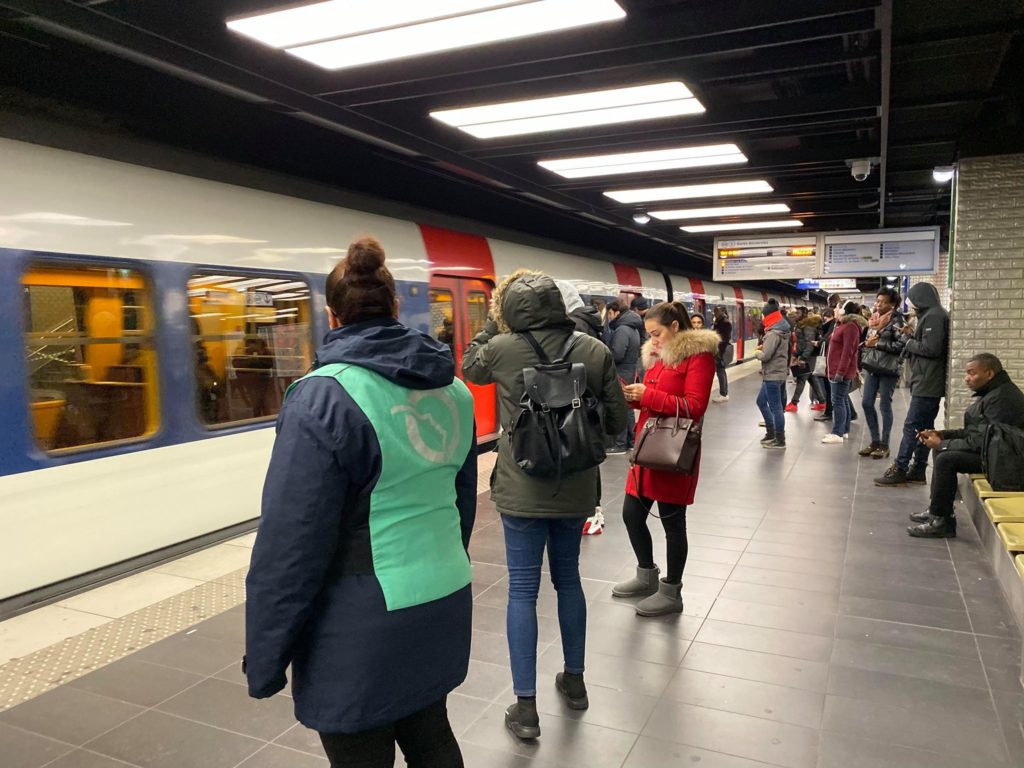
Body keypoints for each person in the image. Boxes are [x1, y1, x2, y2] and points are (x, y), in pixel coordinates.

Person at [245, 237, 477, 768]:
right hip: (443, 596)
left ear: (331, 316)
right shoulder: (455, 392)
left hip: (359, 626)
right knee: (432, 736)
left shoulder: (322, 398)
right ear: (396, 308)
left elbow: (291, 544)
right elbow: (460, 508)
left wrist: (266, 656)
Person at [462, 269, 627, 741]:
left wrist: (492, 324)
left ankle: (526, 708)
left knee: (522, 591)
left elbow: (470, 367)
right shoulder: (592, 350)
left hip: (521, 490)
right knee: (569, 579)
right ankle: (575, 682)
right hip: (575, 490)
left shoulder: (502, 349)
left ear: (510, 310)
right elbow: (618, 421)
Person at [613, 302, 718, 615]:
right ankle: (646, 575)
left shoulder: (699, 356)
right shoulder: (658, 356)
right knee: (632, 515)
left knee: (673, 524)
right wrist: (634, 398)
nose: (653, 340)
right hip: (647, 448)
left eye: (656, 333)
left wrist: (647, 395)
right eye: (650, 335)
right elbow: (654, 400)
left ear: (674, 327)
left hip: (673, 451)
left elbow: (694, 406)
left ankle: (672, 592)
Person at [907, 354, 1024, 537]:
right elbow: (975, 432)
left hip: (1007, 462)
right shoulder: (993, 393)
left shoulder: (1001, 399)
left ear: (989, 374)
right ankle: (937, 510)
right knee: (941, 451)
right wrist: (943, 435)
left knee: (946, 458)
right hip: (994, 454)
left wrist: (943, 443)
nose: (967, 378)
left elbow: (981, 442)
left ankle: (943, 522)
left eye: (972, 373)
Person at [875, 282, 949, 487]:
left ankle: (900, 468)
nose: (912, 305)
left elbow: (931, 349)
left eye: (913, 301)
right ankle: (918, 470)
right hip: (928, 379)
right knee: (924, 427)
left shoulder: (934, 316)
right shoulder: (933, 315)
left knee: (911, 426)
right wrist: (911, 335)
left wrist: (907, 341)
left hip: (927, 380)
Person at [556, 280, 606, 535]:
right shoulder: (588, 322)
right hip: (589, 404)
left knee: (582, 459)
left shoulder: (574, 327)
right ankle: (592, 510)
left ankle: (592, 513)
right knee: (588, 457)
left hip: (576, 403)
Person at [859, 288, 905, 459]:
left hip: (888, 368)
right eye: (877, 301)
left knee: (885, 405)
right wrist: (868, 344)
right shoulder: (874, 319)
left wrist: (877, 345)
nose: (878, 305)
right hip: (872, 365)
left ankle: (884, 445)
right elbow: (869, 342)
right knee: (866, 403)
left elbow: (901, 346)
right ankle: (875, 441)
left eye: (882, 302)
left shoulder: (897, 321)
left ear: (892, 305)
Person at [822, 301, 865, 444]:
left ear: (843, 311)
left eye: (837, 308)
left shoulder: (850, 327)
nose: (835, 310)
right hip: (835, 369)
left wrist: (840, 371)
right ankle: (844, 430)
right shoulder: (843, 325)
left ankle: (837, 433)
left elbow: (848, 352)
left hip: (840, 371)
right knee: (843, 399)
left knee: (838, 401)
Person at [605, 299, 644, 454]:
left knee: (621, 407)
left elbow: (618, 354)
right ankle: (631, 441)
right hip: (630, 371)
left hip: (621, 372)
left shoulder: (621, 330)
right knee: (627, 407)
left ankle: (620, 444)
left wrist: (606, 353)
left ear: (617, 312)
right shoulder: (633, 328)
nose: (609, 317)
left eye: (610, 313)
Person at [754, 300, 791, 449]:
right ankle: (771, 432)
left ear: (769, 316)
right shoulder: (781, 331)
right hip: (776, 373)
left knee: (776, 408)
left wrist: (757, 352)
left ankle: (780, 439)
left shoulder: (773, 334)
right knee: (761, 401)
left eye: (764, 315)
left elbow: (765, 355)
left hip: (773, 375)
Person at [813, 296, 844, 422]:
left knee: (833, 390)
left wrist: (819, 342)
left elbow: (828, 340)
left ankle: (831, 415)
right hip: (831, 360)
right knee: (835, 391)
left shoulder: (837, 325)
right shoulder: (834, 324)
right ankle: (838, 413)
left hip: (832, 361)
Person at [787, 308, 825, 411]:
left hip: (809, 356)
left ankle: (794, 403)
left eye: (798, 312)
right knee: (811, 378)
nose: (795, 314)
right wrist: (796, 354)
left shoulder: (808, 326)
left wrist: (803, 358)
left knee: (801, 378)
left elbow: (809, 344)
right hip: (806, 355)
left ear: (804, 314)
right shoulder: (801, 325)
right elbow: (802, 343)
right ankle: (822, 402)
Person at [711, 305, 733, 403]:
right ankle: (724, 393)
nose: (714, 313)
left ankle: (723, 394)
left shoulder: (724, 323)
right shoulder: (720, 321)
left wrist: (719, 353)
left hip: (720, 351)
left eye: (716, 311)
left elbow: (725, 340)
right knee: (720, 371)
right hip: (718, 350)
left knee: (720, 371)